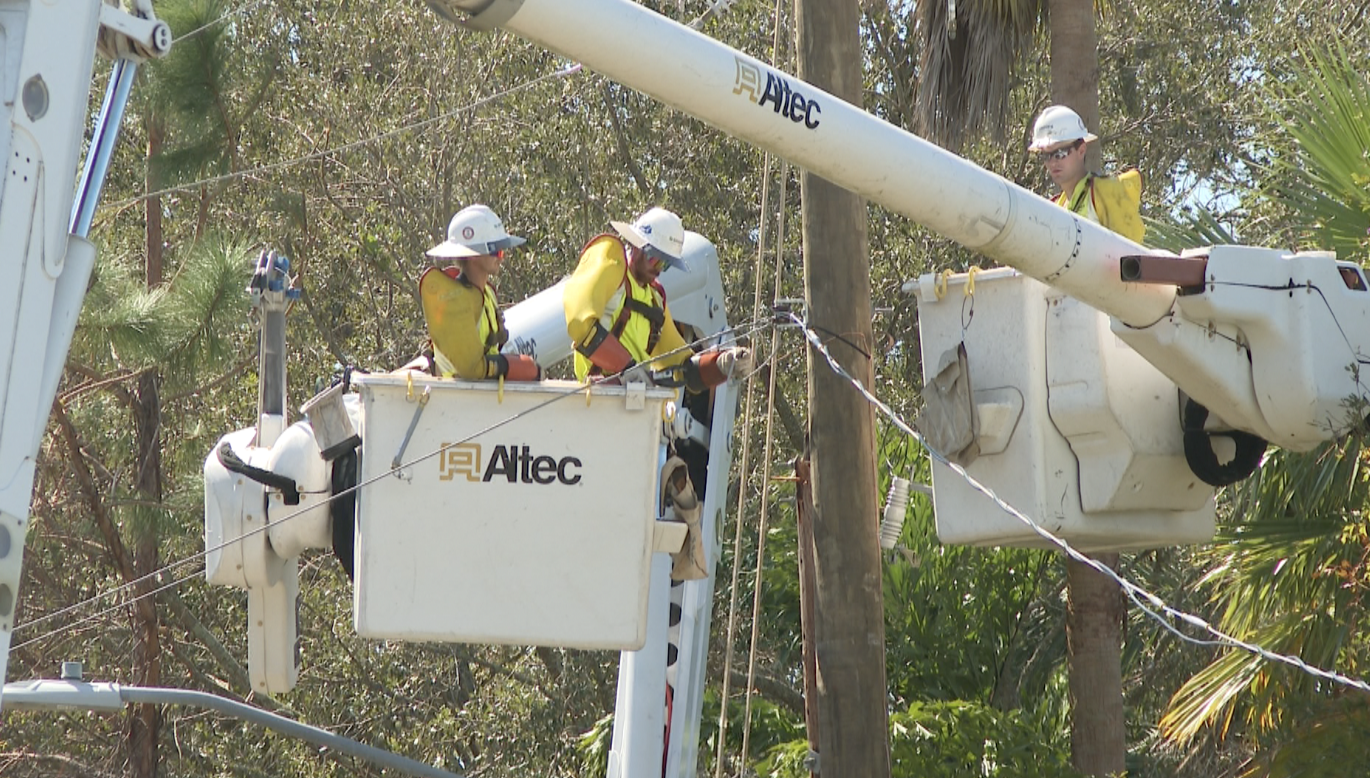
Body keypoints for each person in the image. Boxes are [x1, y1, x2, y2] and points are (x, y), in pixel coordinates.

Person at [563, 207, 751, 389]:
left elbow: (681, 365)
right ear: (636, 246)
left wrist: (722, 364)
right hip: (598, 397)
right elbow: (580, 324)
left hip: (635, 404)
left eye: (666, 263)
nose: (658, 268)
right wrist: (627, 368)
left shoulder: (655, 301)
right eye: (654, 259)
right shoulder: (613, 267)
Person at [416, 204, 541, 381]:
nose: (501, 257)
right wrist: (514, 366)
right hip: (454, 400)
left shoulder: (487, 294)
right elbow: (471, 370)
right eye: (495, 250)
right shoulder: (454, 303)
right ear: (473, 254)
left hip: (481, 397)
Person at [1029, 104, 1144, 243]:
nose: (1052, 162)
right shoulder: (1055, 207)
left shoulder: (1105, 192)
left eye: (1060, 154)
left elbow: (1131, 253)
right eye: (1046, 156)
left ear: (1081, 150)